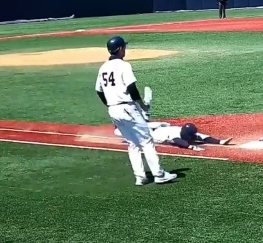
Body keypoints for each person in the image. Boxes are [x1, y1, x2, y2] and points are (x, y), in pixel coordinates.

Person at [95, 36, 178, 186]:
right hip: (127, 107)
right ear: (120, 49)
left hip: (113, 109)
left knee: (132, 143)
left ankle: (140, 177)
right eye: (124, 47)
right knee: (146, 140)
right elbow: (131, 88)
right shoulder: (123, 65)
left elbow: (99, 91)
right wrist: (142, 105)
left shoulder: (103, 68)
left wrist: (109, 104)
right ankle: (159, 174)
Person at [116, 121, 231, 151]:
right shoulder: (175, 135)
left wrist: (220, 142)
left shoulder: (184, 132)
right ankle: (120, 125)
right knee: (122, 132)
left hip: (161, 128)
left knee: (162, 124)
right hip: (153, 134)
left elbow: (204, 137)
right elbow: (180, 142)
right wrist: (192, 147)